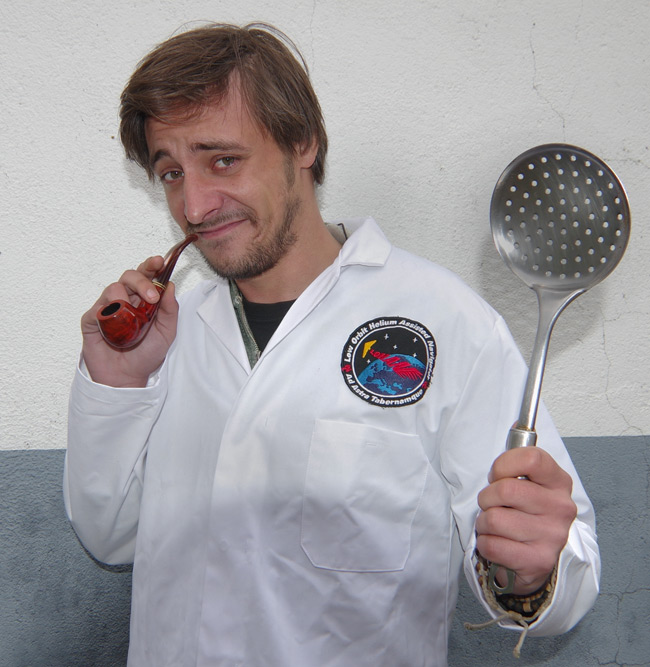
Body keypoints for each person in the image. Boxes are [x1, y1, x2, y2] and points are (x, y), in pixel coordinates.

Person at [64, 22, 600, 666]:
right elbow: (110, 537)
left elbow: (569, 575)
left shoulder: (447, 322)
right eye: (172, 172)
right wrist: (117, 383)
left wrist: (537, 574)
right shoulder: (164, 334)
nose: (196, 204)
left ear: (302, 144)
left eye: (222, 159)